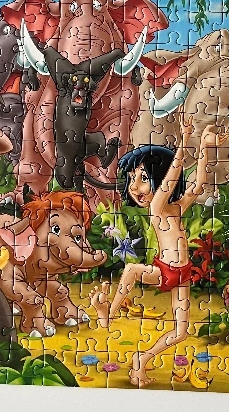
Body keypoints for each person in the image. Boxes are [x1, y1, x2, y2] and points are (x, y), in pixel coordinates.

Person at [89, 117, 212, 388]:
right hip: (165, 269)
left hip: (182, 274)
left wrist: (204, 146)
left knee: (180, 332)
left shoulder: (176, 208)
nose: (134, 187)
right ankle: (108, 311)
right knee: (132, 270)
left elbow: (198, 184)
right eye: (133, 179)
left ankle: (141, 359)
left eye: (143, 178)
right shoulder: (156, 208)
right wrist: (184, 141)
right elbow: (171, 178)